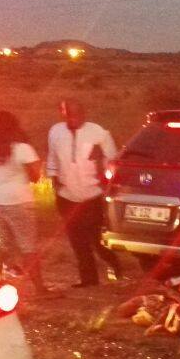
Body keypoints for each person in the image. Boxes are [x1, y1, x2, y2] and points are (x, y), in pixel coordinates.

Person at [46, 99, 122, 287]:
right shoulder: (56, 131)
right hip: (66, 196)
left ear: (84, 113)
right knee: (77, 241)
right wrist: (54, 178)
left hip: (92, 195)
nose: (73, 117)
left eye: (77, 113)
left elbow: (113, 160)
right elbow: (52, 157)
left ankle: (114, 265)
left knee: (97, 240)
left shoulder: (98, 132)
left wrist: (101, 162)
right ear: (62, 113)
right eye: (68, 113)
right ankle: (89, 279)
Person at [0, 112, 52, 295]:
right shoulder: (22, 149)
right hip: (17, 200)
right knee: (28, 247)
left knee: (1, 244)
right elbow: (36, 177)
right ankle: (40, 289)